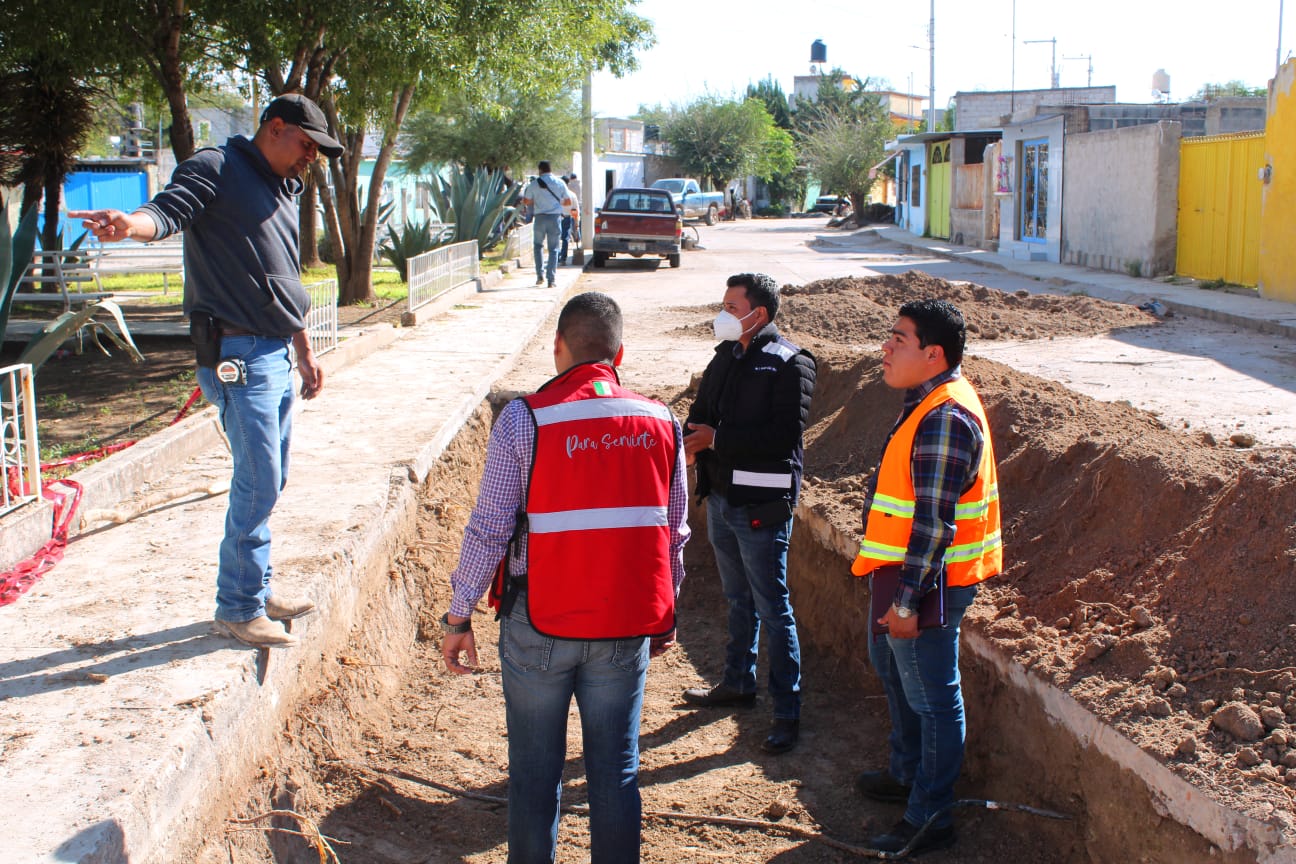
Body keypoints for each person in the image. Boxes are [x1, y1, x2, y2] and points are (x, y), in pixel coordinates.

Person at [70, 94, 342, 650]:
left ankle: (255, 588)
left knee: (271, 478)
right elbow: (167, 212)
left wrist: (303, 350)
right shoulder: (216, 167)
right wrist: (129, 224)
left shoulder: (280, 187)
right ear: (275, 127)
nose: (310, 157)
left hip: (273, 352)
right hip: (236, 355)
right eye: (306, 144)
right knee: (259, 478)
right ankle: (238, 608)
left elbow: (282, 276)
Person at [441, 292, 691, 863]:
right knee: (616, 772)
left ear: (558, 347)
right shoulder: (662, 421)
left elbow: (489, 529)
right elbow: (673, 532)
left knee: (534, 775)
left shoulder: (523, 419)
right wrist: (665, 609)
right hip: (625, 624)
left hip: (538, 622)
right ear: (619, 354)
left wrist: (459, 615)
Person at [850, 298, 1002, 855]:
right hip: (902, 574)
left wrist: (908, 604)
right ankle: (907, 773)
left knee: (934, 699)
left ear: (933, 353)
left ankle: (929, 816)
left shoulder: (945, 417)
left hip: (927, 585)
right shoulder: (927, 401)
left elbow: (934, 524)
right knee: (895, 674)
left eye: (899, 339)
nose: (885, 348)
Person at [680, 273, 816, 755]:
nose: (722, 314)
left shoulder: (791, 364)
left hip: (762, 505)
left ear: (758, 314)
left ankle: (787, 711)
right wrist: (691, 440)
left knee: (773, 607)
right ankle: (738, 682)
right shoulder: (725, 356)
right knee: (738, 599)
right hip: (722, 498)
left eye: (731, 307)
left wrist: (716, 440)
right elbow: (700, 413)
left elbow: (782, 438)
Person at [519, 161, 572, 287]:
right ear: (550, 169)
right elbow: (568, 201)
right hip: (554, 218)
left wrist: (537, 200)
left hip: (540, 218)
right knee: (554, 249)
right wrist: (557, 202)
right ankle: (551, 279)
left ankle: (540, 276)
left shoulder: (534, 184)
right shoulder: (560, 182)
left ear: (540, 170)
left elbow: (526, 201)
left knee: (538, 246)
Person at [559, 173, 580, 265]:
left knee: (556, 238)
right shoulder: (572, 195)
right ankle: (563, 258)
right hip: (567, 217)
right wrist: (576, 222)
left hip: (557, 217)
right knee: (565, 238)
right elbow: (574, 209)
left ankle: (557, 256)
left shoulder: (557, 194)